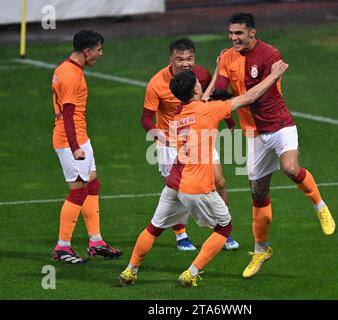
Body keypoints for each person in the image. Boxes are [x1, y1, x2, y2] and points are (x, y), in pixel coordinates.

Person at [119, 59, 289, 287]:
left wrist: (218, 70)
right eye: (198, 83)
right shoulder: (208, 110)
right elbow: (249, 97)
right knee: (224, 227)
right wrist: (274, 74)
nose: (201, 85)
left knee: (153, 228)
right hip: (197, 186)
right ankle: (191, 272)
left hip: (174, 183)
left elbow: (201, 101)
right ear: (196, 88)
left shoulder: (177, 116)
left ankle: (130, 270)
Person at [214, 12, 336, 278]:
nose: (234, 38)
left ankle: (320, 206)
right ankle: (261, 249)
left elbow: (254, 96)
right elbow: (221, 91)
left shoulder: (270, 55)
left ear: (252, 33)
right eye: (231, 33)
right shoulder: (226, 57)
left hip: (280, 125)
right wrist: (216, 76)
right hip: (253, 133)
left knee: (291, 168)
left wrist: (229, 101)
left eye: (239, 33)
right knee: (258, 193)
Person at [141, 38, 239, 251]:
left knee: (219, 182)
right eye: (180, 59)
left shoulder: (201, 75)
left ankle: (221, 231)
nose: (185, 63)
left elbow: (213, 99)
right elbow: (146, 118)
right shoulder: (156, 83)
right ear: (171, 59)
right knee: (178, 189)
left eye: (189, 58)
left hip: (200, 138)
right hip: (171, 143)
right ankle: (181, 235)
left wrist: (230, 122)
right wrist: (160, 137)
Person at [51, 30, 122, 264]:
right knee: (78, 191)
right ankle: (62, 247)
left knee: (92, 183)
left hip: (80, 137)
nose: (101, 54)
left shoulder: (65, 69)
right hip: (71, 140)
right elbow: (69, 115)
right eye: (99, 49)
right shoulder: (71, 75)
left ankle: (96, 241)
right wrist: (75, 147)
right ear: (87, 51)